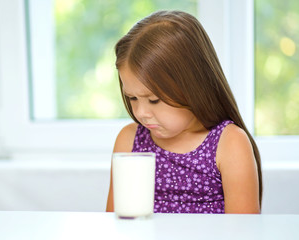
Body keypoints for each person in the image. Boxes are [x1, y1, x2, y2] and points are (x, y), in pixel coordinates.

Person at [106, 10, 262, 214]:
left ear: (193, 87)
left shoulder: (230, 143)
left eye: (154, 100)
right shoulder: (129, 141)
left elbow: (244, 233)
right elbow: (114, 226)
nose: (141, 112)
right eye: (132, 98)